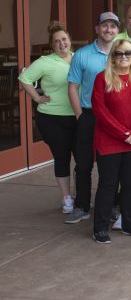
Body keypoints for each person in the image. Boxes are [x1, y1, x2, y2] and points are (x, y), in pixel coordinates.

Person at [90, 40, 131, 243]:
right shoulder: (103, 78)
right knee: (108, 185)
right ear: (112, 57)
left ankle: (130, 224)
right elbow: (99, 110)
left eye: (128, 53)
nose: (124, 56)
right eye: (118, 53)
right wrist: (122, 133)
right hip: (109, 142)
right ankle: (100, 228)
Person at [65, 12, 120, 224]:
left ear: (117, 30)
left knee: (112, 164)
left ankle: (111, 205)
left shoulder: (122, 53)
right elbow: (73, 88)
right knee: (84, 164)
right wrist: (80, 116)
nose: (109, 30)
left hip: (114, 118)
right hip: (89, 115)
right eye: (104, 26)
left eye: (113, 26)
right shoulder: (82, 55)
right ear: (97, 29)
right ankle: (81, 205)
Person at [19, 21, 76, 213]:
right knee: (62, 159)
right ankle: (67, 198)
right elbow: (24, 79)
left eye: (64, 39)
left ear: (70, 41)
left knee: (82, 161)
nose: (62, 44)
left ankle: (81, 196)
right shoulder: (45, 62)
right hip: (52, 119)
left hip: (77, 117)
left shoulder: (78, 59)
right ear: (52, 45)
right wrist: (37, 97)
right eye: (57, 41)